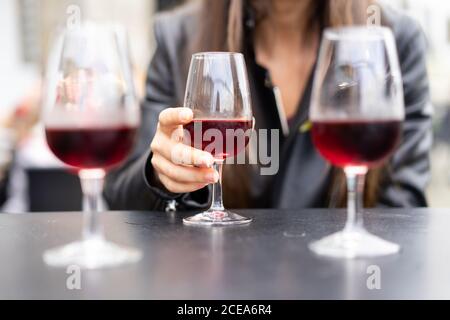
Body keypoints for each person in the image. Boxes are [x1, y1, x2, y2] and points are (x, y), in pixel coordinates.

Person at [104, 0, 432, 211]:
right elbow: (121, 197)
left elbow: (404, 205)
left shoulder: (393, 39)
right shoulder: (178, 38)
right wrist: (160, 175)